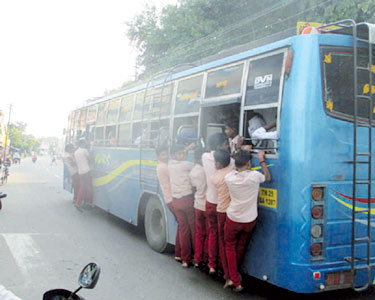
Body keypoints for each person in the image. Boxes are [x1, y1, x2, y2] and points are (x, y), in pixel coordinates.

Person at [224, 150, 271, 292]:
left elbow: (234, 167)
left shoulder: (229, 177)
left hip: (233, 218)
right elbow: (268, 177)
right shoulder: (254, 176)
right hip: (249, 220)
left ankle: (234, 280)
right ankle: (235, 275)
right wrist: (262, 160)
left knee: (230, 247)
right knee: (240, 247)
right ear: (249, 163)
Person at [201, 132, 230, 275]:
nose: (227, 147)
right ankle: (223, 267)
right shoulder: (228, 162)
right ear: (219, 146)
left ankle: (211, 264)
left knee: (212, 233)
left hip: (209, 201)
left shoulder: (205, 157)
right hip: (222, 205)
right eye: (226, 144)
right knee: (223, 237)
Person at [168, 144, 195, 268]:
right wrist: (188, 151)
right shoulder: (185, 165)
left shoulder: (170, 165)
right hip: (187, 200)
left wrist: (186, 150)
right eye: (179, 153)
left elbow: (183, 156)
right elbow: (195, 166)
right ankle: (197, 256)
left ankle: (184, 259)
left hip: (176, 201)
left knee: (183, 230)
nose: (182, 155)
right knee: (193, 229)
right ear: (174, 155)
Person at [211, 149, 234, 288]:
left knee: (223, 243)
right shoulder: (232, 171)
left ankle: (228, 275)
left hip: (221, 211)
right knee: (231, 244)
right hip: (232, 212)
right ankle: (231, 274)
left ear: (218, 164)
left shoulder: (216, 177)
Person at [155, 146, 181, 262]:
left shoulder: (161, 166)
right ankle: (179, 253)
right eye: (163, 155)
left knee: (181, 224)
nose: (165, 157)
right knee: (182, 225)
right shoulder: (164, 167)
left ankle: (179, 252)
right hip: (172, 199)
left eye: (166, 154)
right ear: (158, 157)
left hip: (169, 199)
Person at [189, 148, 208, 268]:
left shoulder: (192, 172)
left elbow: (193, 188)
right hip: (206, 205)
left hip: (197, 205)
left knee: (199, 233)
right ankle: (205, 258)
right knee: (208, 233)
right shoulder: (205, 171)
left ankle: (197, 257)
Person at [74, 139, 93, 208]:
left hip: (80, 172)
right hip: (86, 171)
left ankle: (79, 202)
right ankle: (87, 202)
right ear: (82, 144)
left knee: (82, 187)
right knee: (89, 188)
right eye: (84, 144)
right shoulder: (84, 150)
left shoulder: (76, 152)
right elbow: (90, 158)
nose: (85, 145)